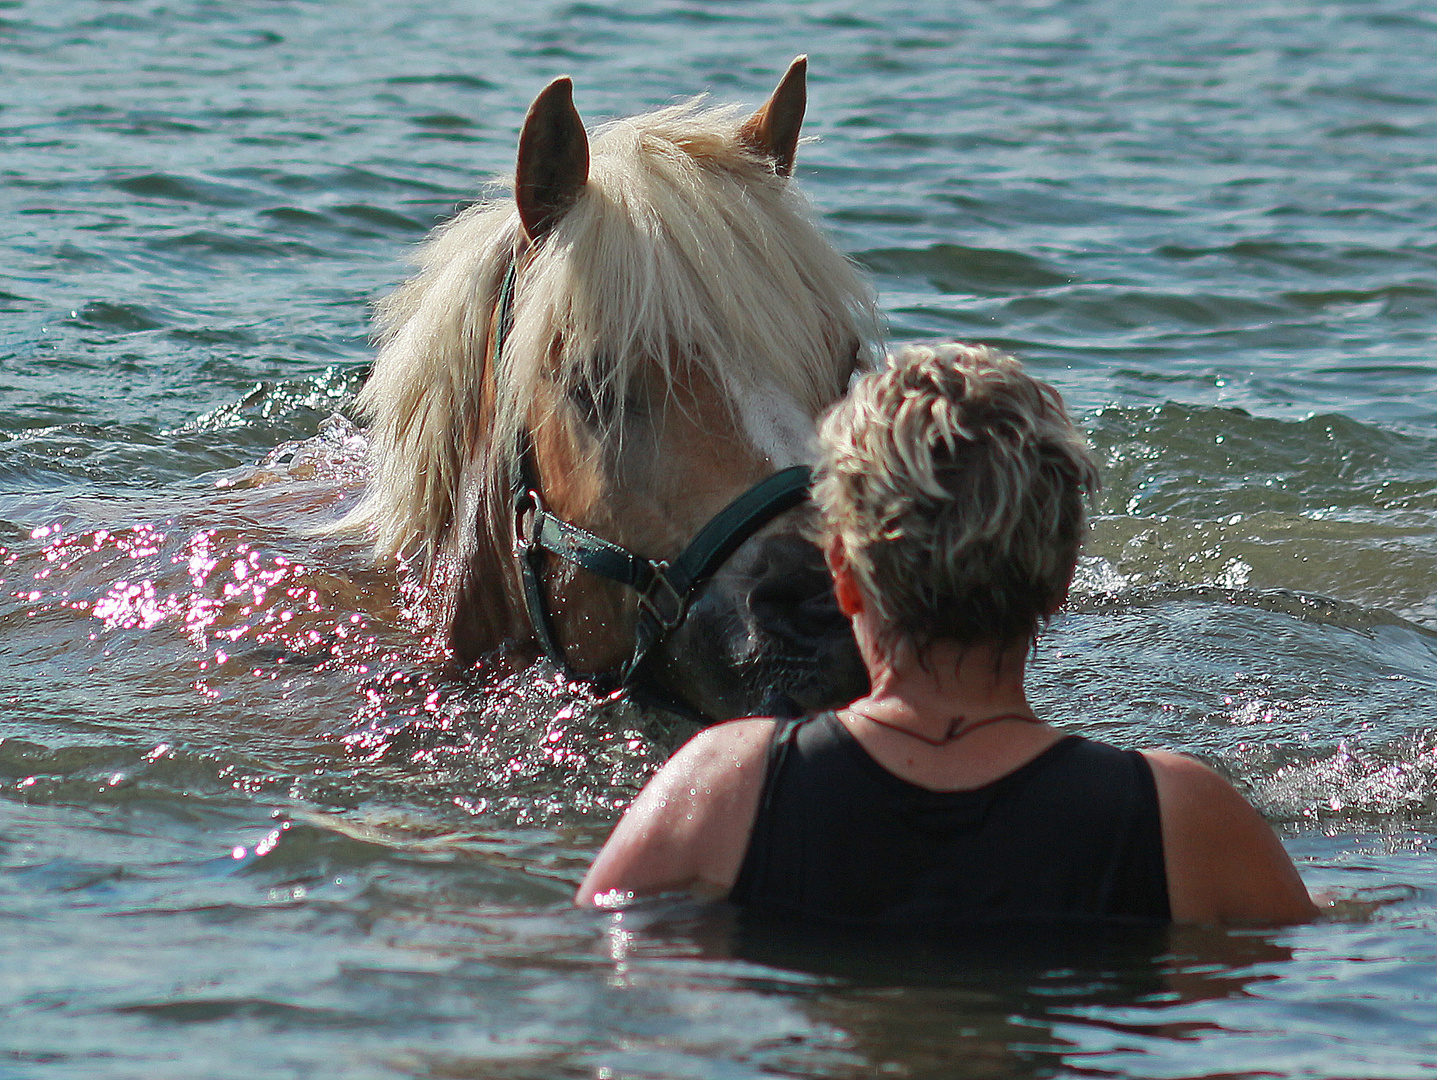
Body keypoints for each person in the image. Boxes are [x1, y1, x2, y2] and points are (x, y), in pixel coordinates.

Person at [576, 343, 1316, 927]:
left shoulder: (725, 788)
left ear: (840, 572)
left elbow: (616, 964)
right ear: (1060, 580)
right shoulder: (1182, 816)